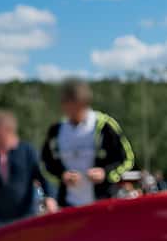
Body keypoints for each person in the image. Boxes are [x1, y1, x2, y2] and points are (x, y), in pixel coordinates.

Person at [40, 78, 136, 208]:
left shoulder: (104, 126)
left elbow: (127, 159)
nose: (67, 108)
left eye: (72, 103)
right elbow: (45, 162)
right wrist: (62, 175)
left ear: (83, 102)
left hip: (103, 204)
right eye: (64, 103)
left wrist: (105, 173)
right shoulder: (56, 130)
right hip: (68, 205)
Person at [0, 110, 53, 230]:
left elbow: (42, 177)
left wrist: (49, 197)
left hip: (25, 217)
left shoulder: (26, 151)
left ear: (8, 131)